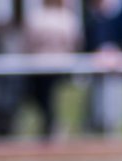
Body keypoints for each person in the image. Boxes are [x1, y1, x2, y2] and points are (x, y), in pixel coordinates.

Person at [23, 0, 81, 141]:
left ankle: (52, 126)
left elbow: (28, 42)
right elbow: (75, 42)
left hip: (43, 65)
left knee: (49, 100)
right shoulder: (67, 17)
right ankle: (52, 126)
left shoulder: (37, 17)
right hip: (56, 65)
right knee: (47, 100)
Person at [82, 0, 122, 137]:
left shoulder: (120, 13)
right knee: (97, 100)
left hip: (115, 64)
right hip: (97, 65)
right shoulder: (93, 17)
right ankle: (96, 125)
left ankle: (112, 127)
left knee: (114, 98)